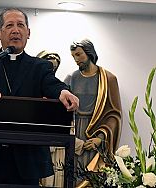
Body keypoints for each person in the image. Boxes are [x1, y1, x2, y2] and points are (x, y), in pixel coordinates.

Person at [0, 8, 79, 187]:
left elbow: (52, 84)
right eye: (9, 25)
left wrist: (63, 92)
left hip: (27, 159)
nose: (16, 30)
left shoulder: (40, 67)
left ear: (28, 33)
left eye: (20, 25)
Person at [64, 39, 122, 187]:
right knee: (72, 175)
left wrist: (101, 139)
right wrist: (72, 138)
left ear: (89, 53)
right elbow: (62, 110)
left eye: (79, 54)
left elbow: (114, 115)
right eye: (73, 56)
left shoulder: (108, 79)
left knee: (93, 178)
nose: (76, 60)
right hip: (75, 132)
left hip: (96, 131)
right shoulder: (71, 79)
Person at [36, 50, 65, 187]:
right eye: (48, 67)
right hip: (35, 142)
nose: (51, 71)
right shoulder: (30, 90)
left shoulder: (59, 91)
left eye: (54, 68)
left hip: (56, 142)